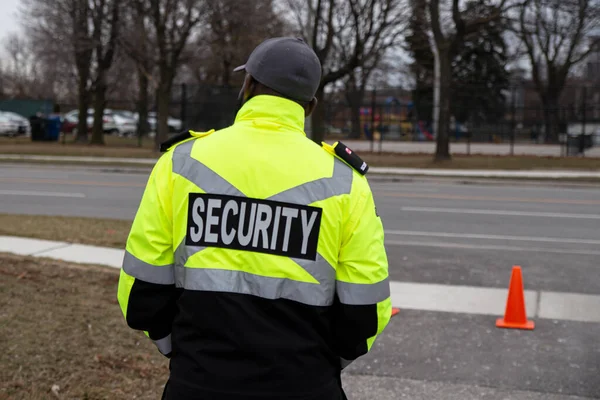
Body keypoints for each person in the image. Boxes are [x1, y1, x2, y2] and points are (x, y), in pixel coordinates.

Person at [117, 36, 392, 400]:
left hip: (198, 382)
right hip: (306, 385)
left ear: (247, 86)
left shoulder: (181, 162)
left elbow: (140, 293)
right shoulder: (345, 180)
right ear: (309, 105)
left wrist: (181, 351)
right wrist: (319, 366)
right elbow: (365, 311)